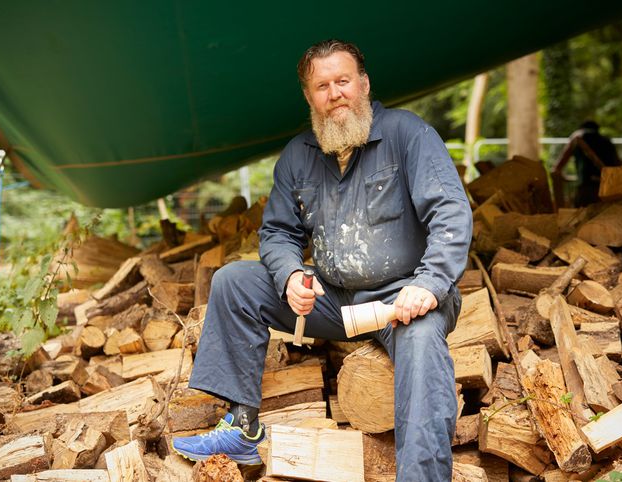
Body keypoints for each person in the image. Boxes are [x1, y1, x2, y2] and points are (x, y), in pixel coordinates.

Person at [172, 39, 472, 480]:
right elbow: (277, 232)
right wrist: (291, 273)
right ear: (309, 96)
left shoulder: (409, 134)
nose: (335, 94)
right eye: (322, 86)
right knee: (235, 281)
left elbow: (450, 213)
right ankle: (241, 426)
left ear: (364, 84)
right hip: (333, 300)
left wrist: (428, 284)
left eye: (343, 81)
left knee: (425, 345)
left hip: (402, 301)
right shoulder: (299, 155)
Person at [552, 120, 622, 206]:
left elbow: (557, 168)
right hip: (608, 188)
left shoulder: (577, 137)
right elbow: (619, 164)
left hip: (586, 188)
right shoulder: (607, 141)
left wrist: (560, 175)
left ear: (581, 128)